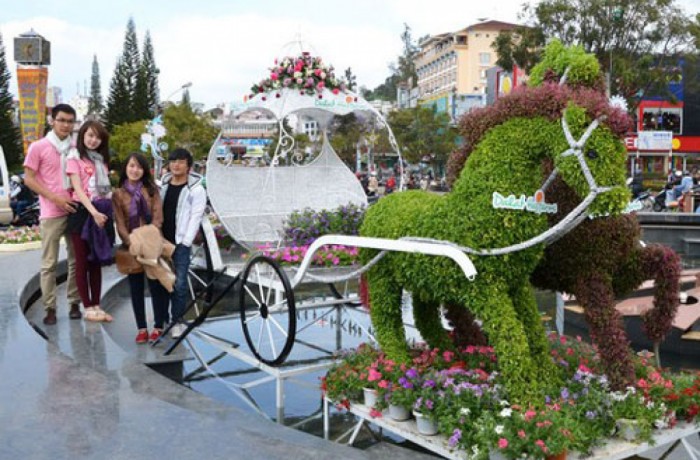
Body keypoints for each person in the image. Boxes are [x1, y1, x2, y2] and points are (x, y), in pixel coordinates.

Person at [23, 104, 81, 325]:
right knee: (49, 263)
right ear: (52, 120)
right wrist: (55, 198)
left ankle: (74, 302)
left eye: (70, 121)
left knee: (76, 260)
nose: (66, 125)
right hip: (51, 212)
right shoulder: (39, 147)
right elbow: (29, 179)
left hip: (75, 211)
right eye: (62, 120)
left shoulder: (76, 148)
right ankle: (50, 308)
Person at [112, 153, 167, 343]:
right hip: (132, 247)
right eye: (131, 166)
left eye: (139, 167)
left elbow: (158, 216)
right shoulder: (118, 194)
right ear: (126, 168)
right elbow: (119, 223)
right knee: (135, 288)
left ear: (144, 171)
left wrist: (149, 239)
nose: (135, 170)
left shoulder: (151, 190)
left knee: (156, 285)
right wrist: (131, 242)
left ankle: (159, 326)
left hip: (151, 244)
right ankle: (141, 328)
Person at [152, 148, 207, 338]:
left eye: (181, 161)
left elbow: (196, 216)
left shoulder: (196, 189)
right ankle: (162, 320)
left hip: (180, 242)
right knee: (161, 281)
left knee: (180, 283)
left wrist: (185, 242)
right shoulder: (163, 186)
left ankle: (177, 321)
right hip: (161, 241)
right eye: (173, 161)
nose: (176, 164)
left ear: (188, 166)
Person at [65, 120, 114, 322]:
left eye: (97, 136)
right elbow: (77, 189)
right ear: (83, 136)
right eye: (90, 135)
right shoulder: (74, 158)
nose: (93, 140)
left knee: (96, 261)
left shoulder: (101, 161)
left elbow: (105, 190)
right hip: (82, 213)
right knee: (82, 261)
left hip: (101, 212)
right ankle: (87, 307)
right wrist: (93, 212)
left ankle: (97, 305)